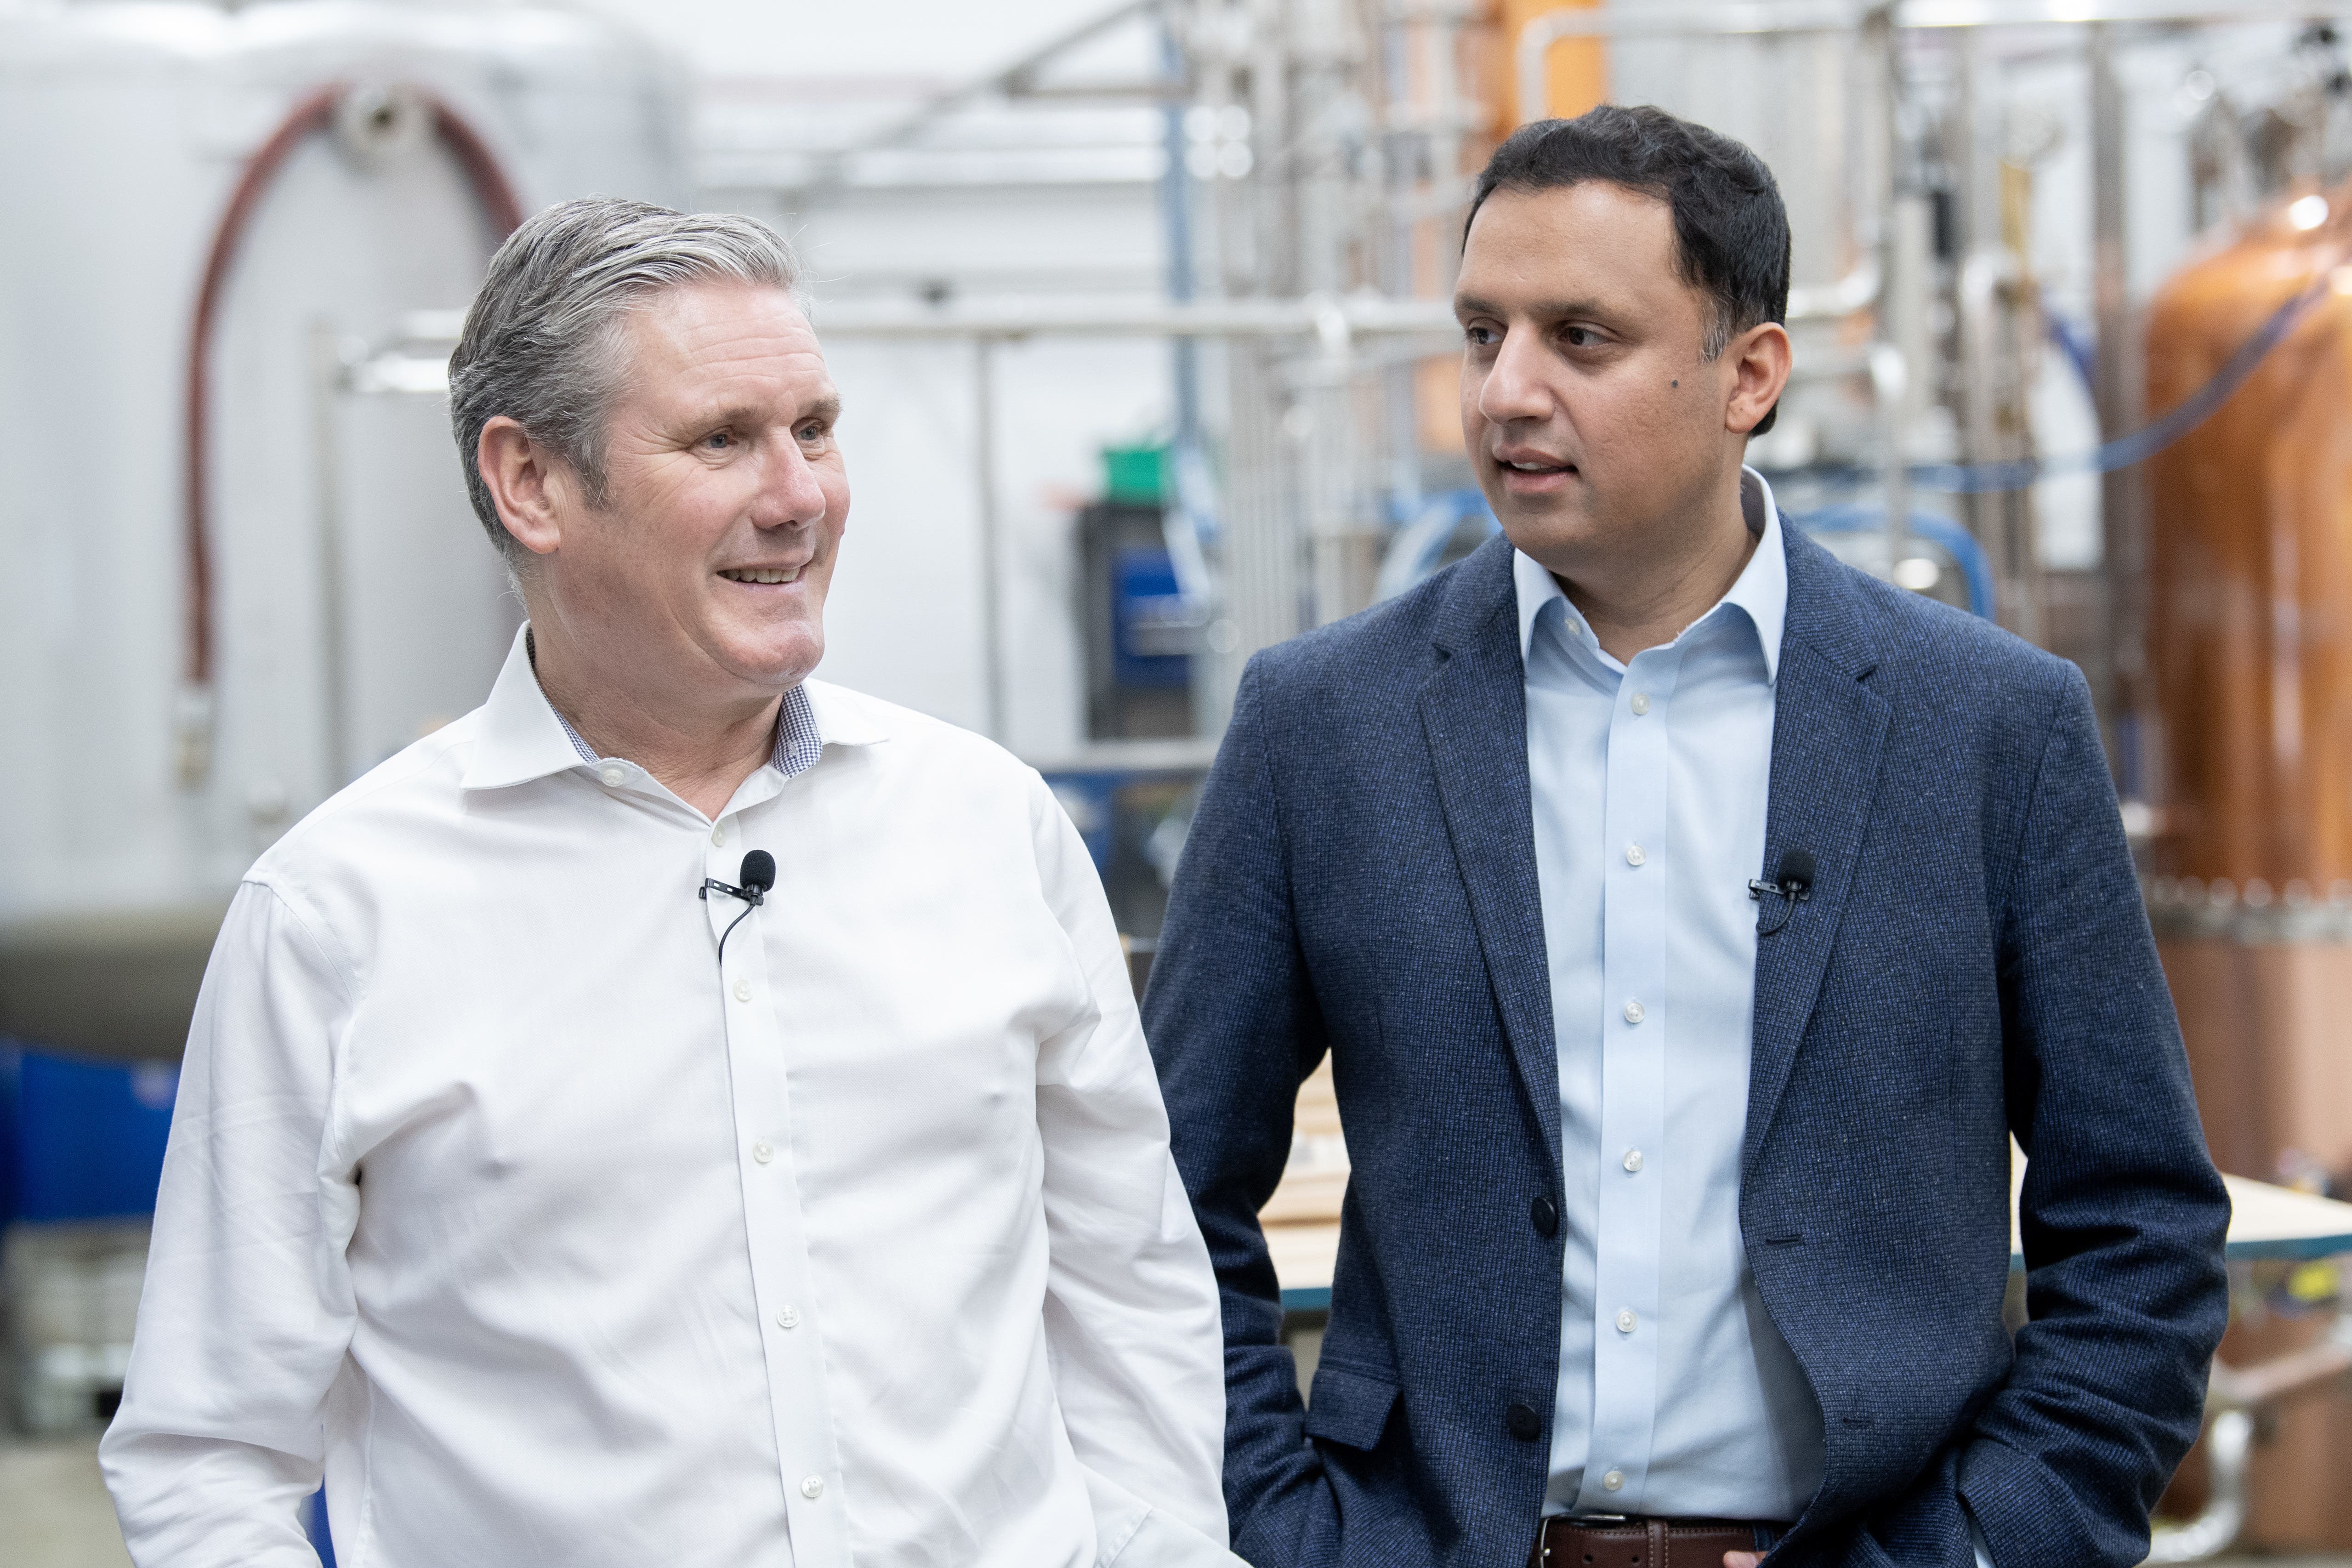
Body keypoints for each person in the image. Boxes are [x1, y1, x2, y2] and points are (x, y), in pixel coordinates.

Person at [1144, 106, 2230, 1568]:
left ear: (1750, 375)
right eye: (1483, 334)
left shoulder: (1987, 729)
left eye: (1579, 337)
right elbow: (1153, 1199)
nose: (1505, 393)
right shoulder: (1323, 726)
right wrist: (1293, 1530)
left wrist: (1985, 1546)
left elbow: (2143, 1224)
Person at [102, 198, 1237, 1568]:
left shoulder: (991, 828)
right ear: (532, 484)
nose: (800, 494)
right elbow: (207, 1455)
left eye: (814, 428)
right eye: (722, 440)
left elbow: (1130, 1296)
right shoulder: (340, 917)